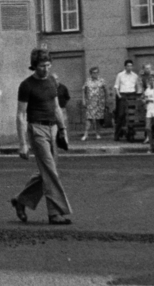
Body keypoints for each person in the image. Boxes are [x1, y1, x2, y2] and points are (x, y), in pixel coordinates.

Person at [9, 49, 73, 225]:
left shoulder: (52, 81)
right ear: (33, 66)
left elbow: (56, 107)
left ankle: (21, 200)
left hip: (52, 129)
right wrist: (23, 143)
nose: (45, 69)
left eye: (47, 65)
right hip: (36, 130)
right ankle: (55, 213)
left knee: (47, 171)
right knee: (50, 171)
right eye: (41, 66)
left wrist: (63, 130)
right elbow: (21, 115)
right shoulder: (26, 85)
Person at [113, 60, 142, 140]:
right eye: (128, 66)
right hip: (123, 94)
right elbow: (116, 86)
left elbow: (138, 86)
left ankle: (130, 133)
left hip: (132, 94)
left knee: (131, 115)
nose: (130, 67)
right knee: (121, 115)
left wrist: (138, 94)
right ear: (125, 67)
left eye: (131, 66)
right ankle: (117, 134)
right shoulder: (120, 75)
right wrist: (119, 96)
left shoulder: (135, 76)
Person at [81, 66, 109, 141]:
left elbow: (106, 91)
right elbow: (84, 91)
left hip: (99, 102)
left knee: (98, 119)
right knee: (88, 118)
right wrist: (83, 100)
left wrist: (106, 101)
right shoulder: (87, 81)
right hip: (90, 102)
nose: (96, 74)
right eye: (94, 72)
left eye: (97, 72)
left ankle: (97, 133)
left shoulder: (102, 80)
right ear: (91, 73)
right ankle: (86, 134)